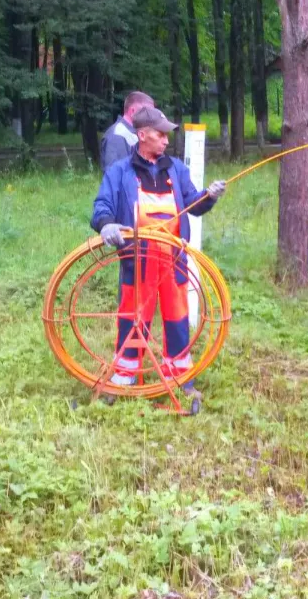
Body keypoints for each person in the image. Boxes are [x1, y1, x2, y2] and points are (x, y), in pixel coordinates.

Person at [91, 107, 227, 396]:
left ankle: (180, 378)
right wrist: (106, 226)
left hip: (173, 259)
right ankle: (125, 378)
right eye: (160, 134)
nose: (166, 141)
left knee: (177, 317)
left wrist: (209, 195)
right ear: (142, 135)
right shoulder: (120, 172)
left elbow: (194, 203)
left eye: (167, 135)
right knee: (133, 316)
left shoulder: (176, 169)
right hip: (137, 259)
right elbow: (101, 207)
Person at [100, 91, 155, 172]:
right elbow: (116, 175)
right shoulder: (117, 135)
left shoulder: (136, 133)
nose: (151, 117)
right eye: (148, 112)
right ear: (133, 111)